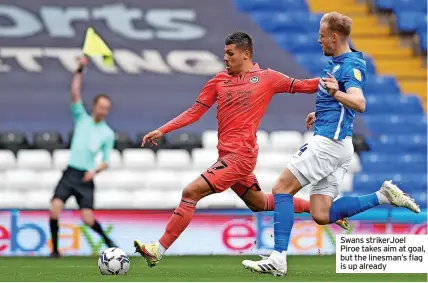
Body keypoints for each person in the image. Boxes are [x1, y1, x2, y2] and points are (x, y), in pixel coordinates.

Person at [133, 31, 348, 268]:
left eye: (230, 53)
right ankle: (328, 211)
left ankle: (158, 249)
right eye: (225, 53)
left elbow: (301, 86)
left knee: (191, 192)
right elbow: (195, 111)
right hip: (226, 155)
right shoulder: (217, 81)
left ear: (245, 54)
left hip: (241, 157)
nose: (225, 58)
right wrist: (163, 130)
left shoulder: (267, 78)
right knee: (258, 202)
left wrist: (333, 84)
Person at [241, 12, 420, 276]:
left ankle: (278, 257)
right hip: (338, 143)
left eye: (322, 36)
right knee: (321, 214)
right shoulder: (344, 62)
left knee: (281, 188)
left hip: (329, 144)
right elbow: (343, 101)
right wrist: (323, 111)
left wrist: (336, 93)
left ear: (334, 37)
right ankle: (382, 195)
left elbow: (359, 103)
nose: (318, 40)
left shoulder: (348, 66)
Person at [49, 56, 117, 258]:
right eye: (101, 107)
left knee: (88, 218)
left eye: (107, 108)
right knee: (54, 209)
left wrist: (94, 171)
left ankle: (109, 243)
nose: (104, 111)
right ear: (94, 106)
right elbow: (75, 93)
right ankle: (55, 250)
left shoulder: (107, 133)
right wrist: (78, 71)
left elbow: (105, 161)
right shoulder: (82, 118)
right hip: (71, 172)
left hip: (86, 177)